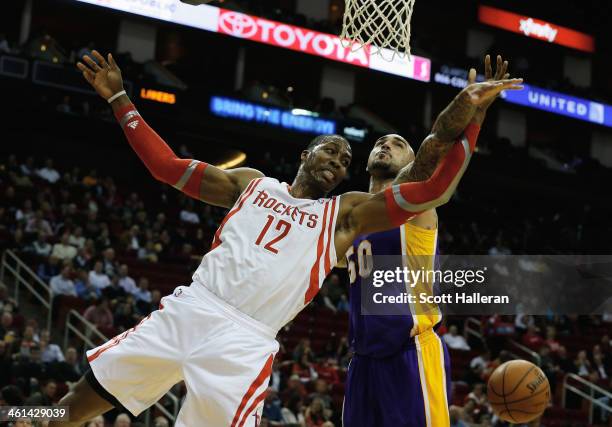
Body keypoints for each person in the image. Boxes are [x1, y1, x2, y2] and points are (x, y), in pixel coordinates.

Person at [51, 50, 521, 427]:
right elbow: (166, 168)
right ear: (305, 152)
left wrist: (474, 116)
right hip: (191, 307)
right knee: (70, 407)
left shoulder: (343, 216)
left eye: (344, 161)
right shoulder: (250, 183)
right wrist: (120, 101)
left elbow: (434, 186)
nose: (338, 160)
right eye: (331, 150)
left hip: (246, 342)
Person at [341, 55, 513, 427]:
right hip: (362, 362)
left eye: (397, 143)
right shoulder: (349, 216)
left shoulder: (410, 198)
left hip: (409, 351)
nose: (385, 145)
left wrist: (472, 107)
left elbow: (438, 143)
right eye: (380, 142)